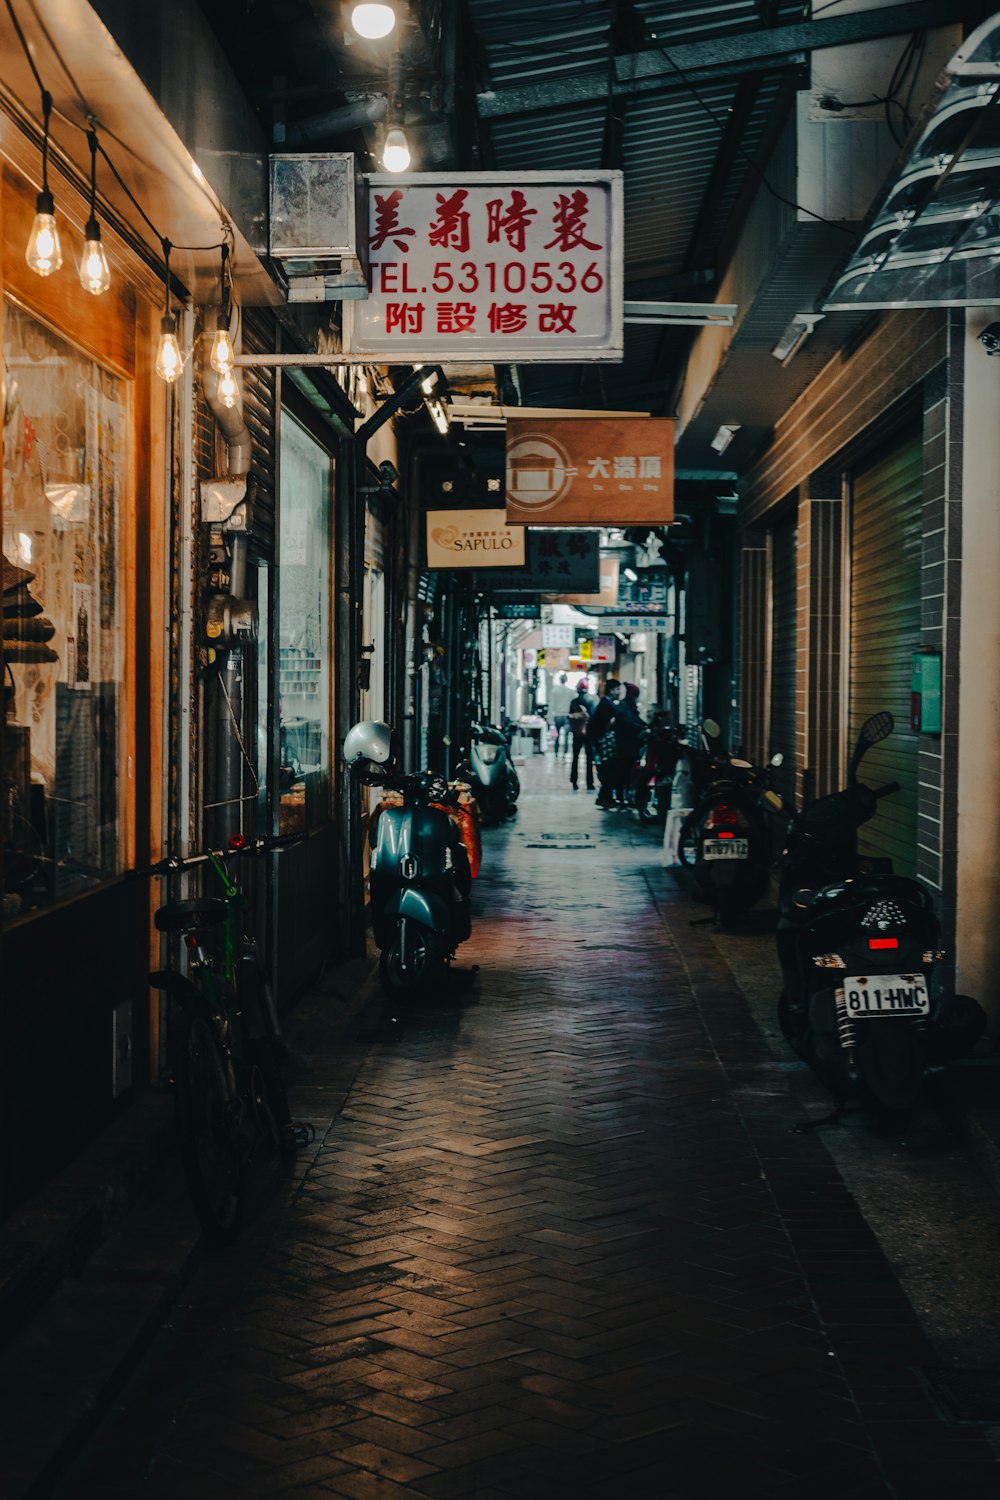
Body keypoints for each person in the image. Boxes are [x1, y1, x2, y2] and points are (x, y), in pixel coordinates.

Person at [587, 678, 623, 808]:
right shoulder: (606, 705)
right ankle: (604, 797)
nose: (619, 692)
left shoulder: (606, 703)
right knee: (609, 769)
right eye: (617, 689)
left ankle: (606, 797)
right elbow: (608, 723)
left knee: (609, 769)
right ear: (611, 690)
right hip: (603, 741)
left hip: (601, 740)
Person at [611, 682, 645, 808]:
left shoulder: (628, 707)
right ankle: (622, 797)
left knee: (627, 772)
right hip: (625, 746)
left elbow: (636, 720)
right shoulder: (624, 708)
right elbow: (629, 722)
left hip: (629, 746)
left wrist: (646, 726)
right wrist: (642, 727)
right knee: (624, 772)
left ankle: (625, 797)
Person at [568, 679, 595, 790]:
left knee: (575, 757)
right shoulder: (590, 701)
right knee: (589, 759)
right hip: (588, 734)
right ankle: (589, 783)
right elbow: (593, 717)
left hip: (577, 733)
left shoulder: (574, 702)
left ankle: (574, 781)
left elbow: (569, 716)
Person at [548, 671, 575, 755]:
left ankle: (556, 751)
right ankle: (565, 751)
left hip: (557, 715)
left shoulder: (554, 690)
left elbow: (551, 705)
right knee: (567, 735)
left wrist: (550, 717)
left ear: (560, 680)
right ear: (566, 680)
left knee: (557, 734)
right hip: (567, 715)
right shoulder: (571, 691)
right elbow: (573, 705)